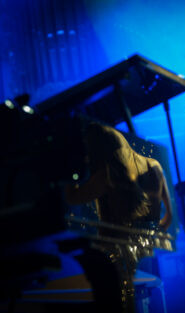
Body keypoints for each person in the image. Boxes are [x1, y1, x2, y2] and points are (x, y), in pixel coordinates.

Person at [65, 122, 173, 312]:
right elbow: (168, 218)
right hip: (147, 250)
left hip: (115, 254)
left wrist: (71, 172)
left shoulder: (107, 175)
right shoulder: (152, 165)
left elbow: (73, 198)